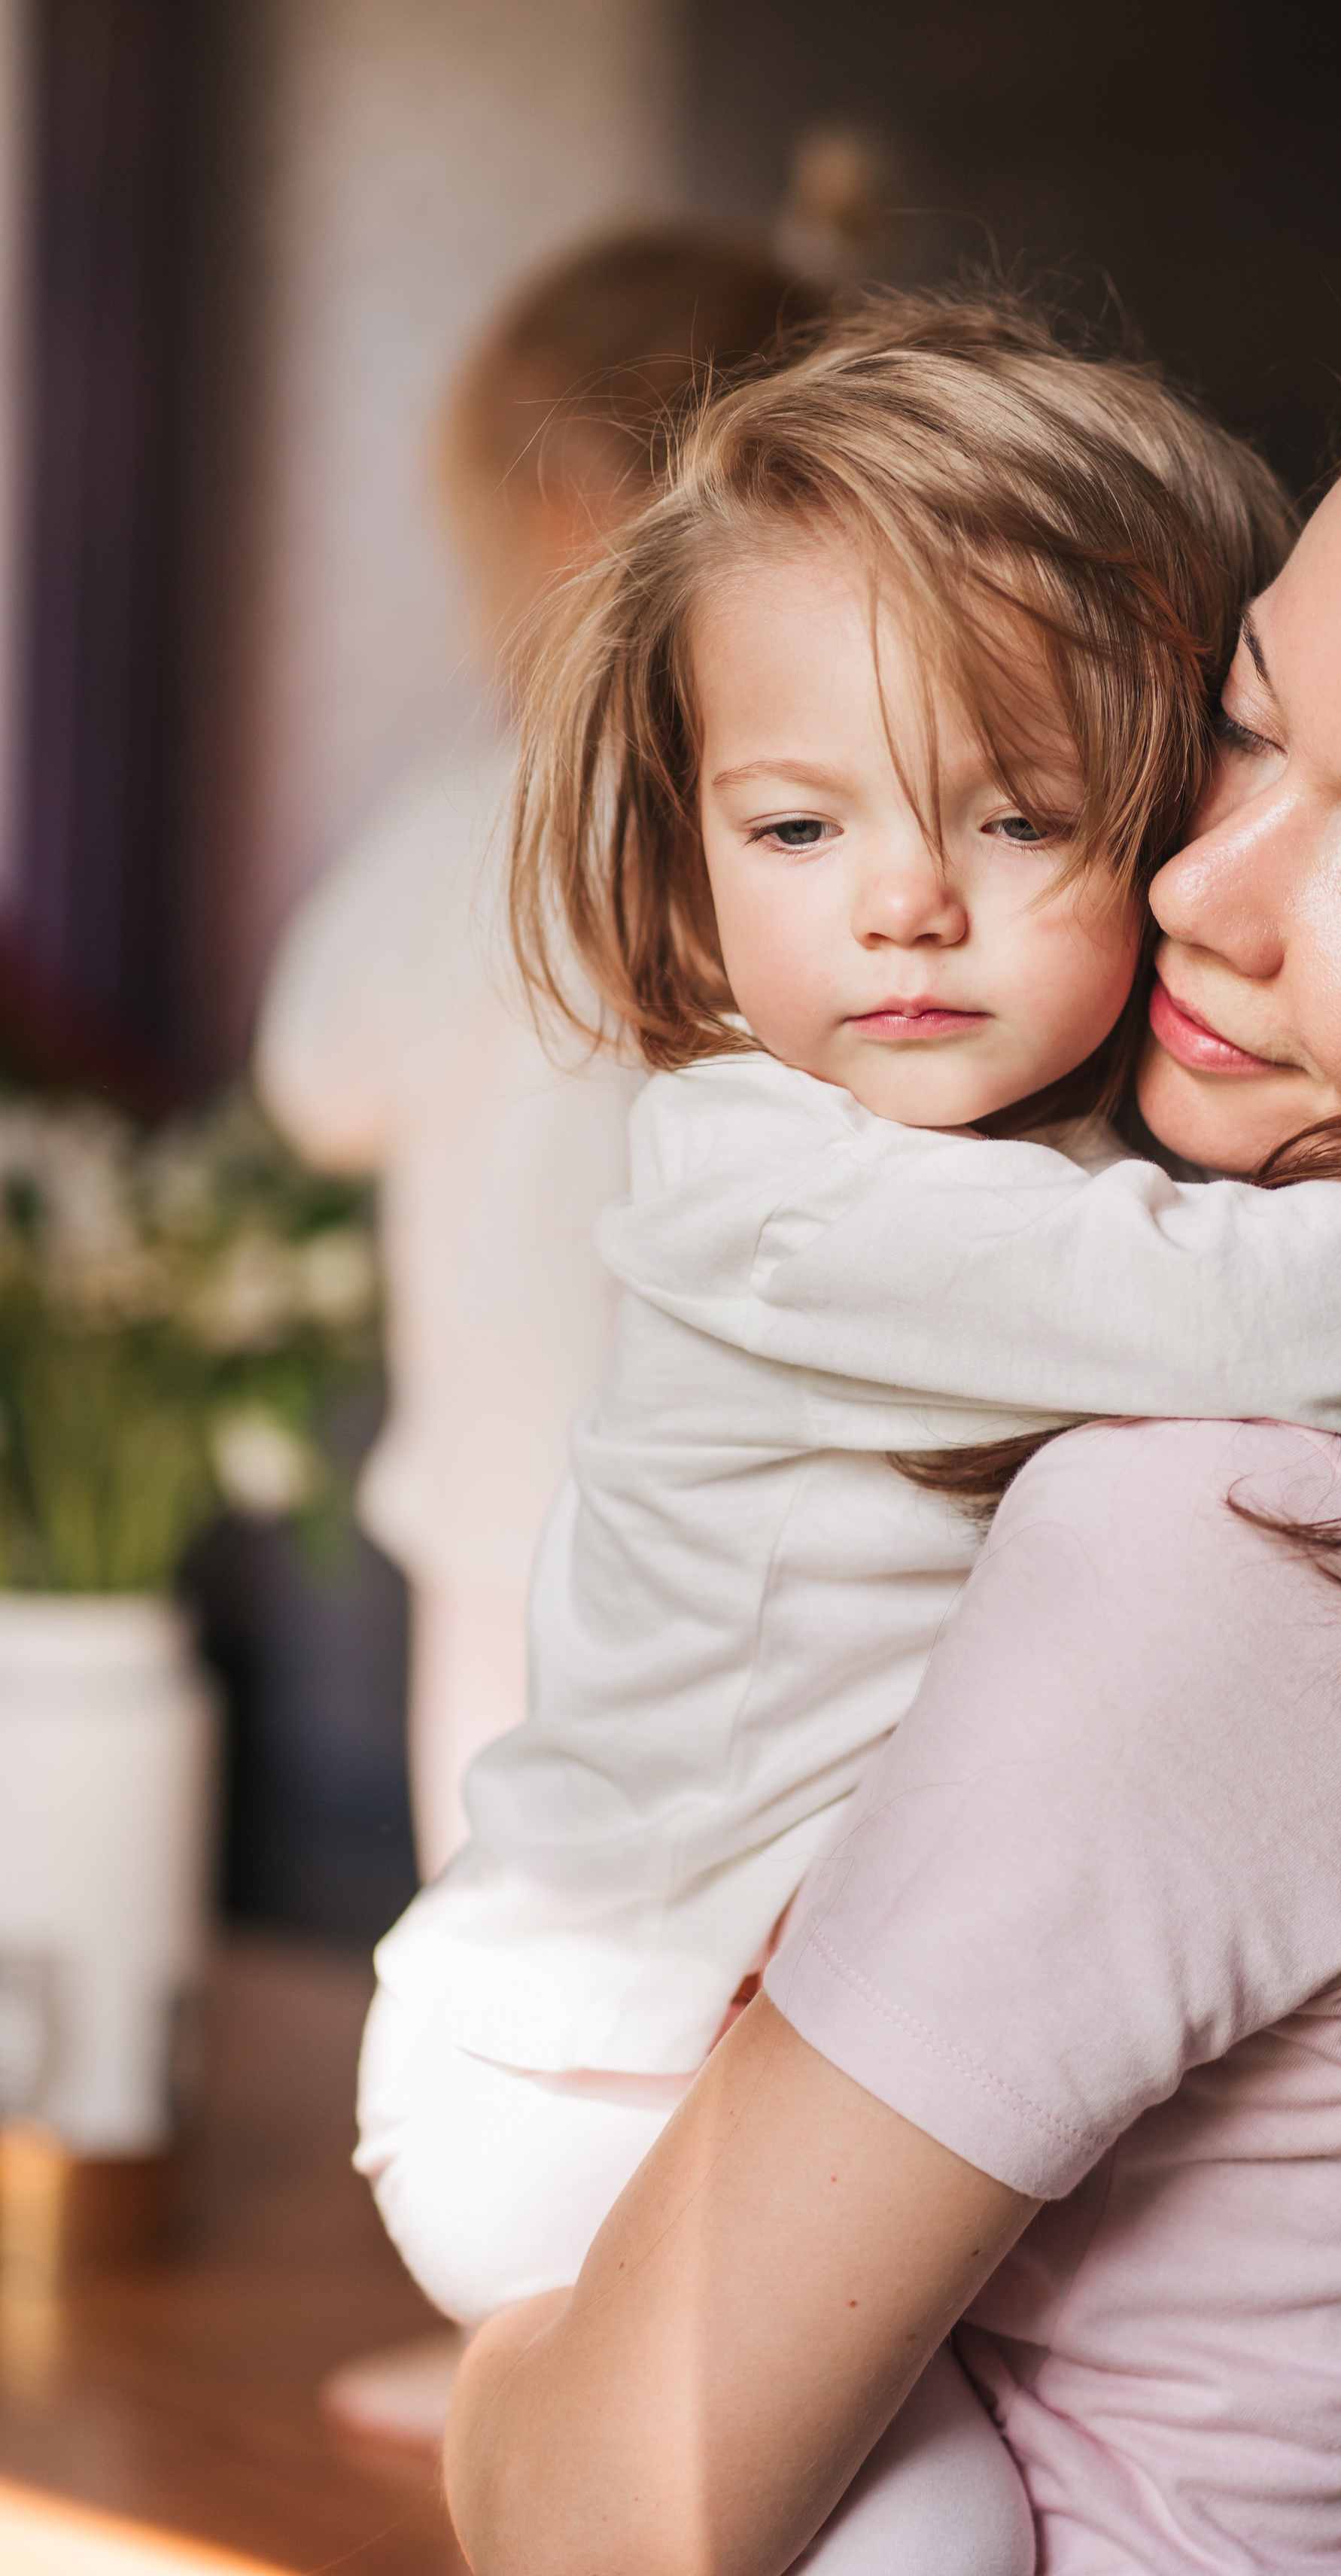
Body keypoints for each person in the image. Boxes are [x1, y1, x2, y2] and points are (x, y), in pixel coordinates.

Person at [436, 288, 1341, 2576]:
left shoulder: (1241, 1529)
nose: (1192, 890)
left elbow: (625, 2521)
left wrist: (513, 2399)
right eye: (1237, 727)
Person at [255, 228, 816, 1881]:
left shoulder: (474, 826)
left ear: (560, 506)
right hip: (774, 1533)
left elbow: (312, 1086)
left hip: (517, 1521)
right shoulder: (824, 820)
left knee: (504, 1963)